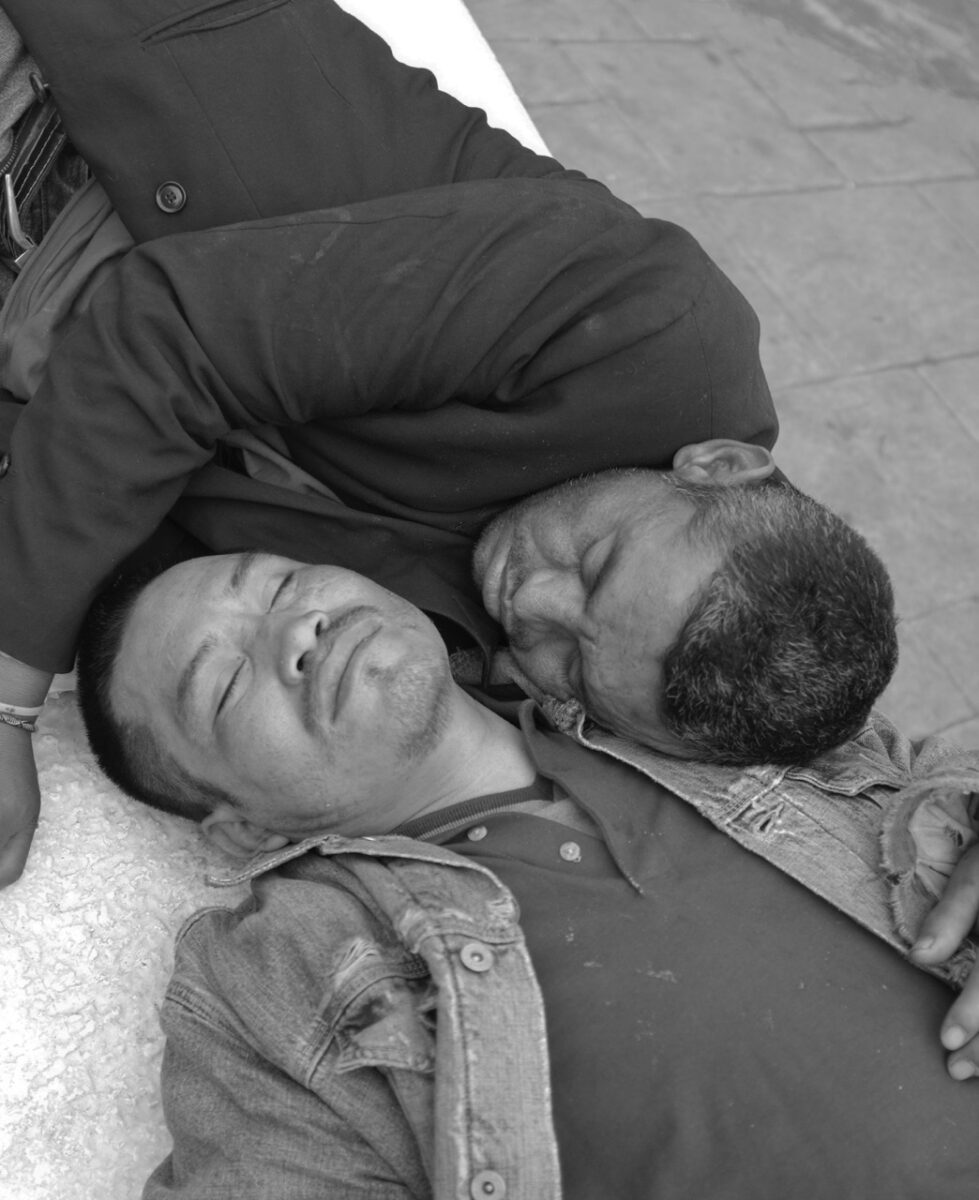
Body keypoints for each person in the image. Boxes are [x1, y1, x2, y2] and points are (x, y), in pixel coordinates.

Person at [0, 0, 783, 889]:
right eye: (596, 564)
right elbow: (164, 332)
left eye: (570, 662)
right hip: (61, 93)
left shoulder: (591, 651)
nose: (530, 602)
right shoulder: (658, 329)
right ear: (718, 469)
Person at [74, 550, 979, 1198]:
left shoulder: (676, 704)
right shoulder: (273, 980)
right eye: (226, 684)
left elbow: (927, 766)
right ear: (238, 830)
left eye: (274, 583)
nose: (292, 630)